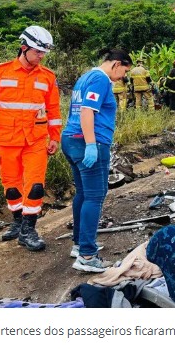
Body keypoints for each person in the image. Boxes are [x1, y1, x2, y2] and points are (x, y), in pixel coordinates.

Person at [0, 26, 62, 251]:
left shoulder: (47, 77)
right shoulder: (0, 73)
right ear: (24, 47)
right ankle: (18, 223)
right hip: (7, 139)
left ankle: (28, 230)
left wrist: (55, 138)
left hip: (36, 141)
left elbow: (54, 111)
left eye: (43, 53)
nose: (41, 56)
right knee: (11, 187)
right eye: (37, 51)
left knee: (36, 186)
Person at [61, 49, 132, 272]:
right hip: (88, 142)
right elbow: (86, 112)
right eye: (124, 71)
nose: (122, 76)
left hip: (70, 140)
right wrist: (91, 144)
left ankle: (80, 244)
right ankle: (87, 256)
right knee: (95, 196)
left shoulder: (85, 77)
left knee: (83, 193)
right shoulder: (101, 80)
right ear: (116, 64)